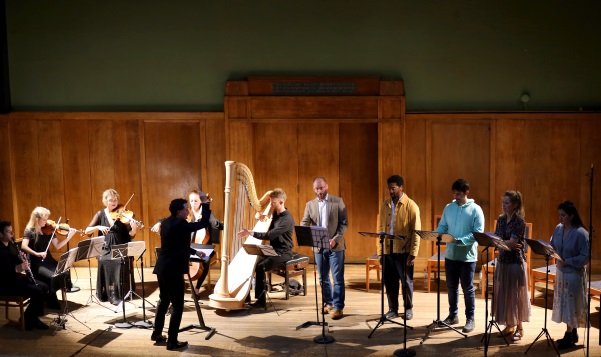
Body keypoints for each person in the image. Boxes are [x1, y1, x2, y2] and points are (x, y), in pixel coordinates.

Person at [151, 196, 210, 350]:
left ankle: (157, 333)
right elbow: (204, 223)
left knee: (163, 299)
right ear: (179, 212)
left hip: (162, 268)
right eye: (186, 209)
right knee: (178, 305)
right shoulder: (181, 225)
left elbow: (178, 244)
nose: (188, 211)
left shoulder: (166, 223)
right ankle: (172, 341)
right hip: (173, 270)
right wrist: (206, 204)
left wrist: (195, 251)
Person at [151, 189, 224, 296]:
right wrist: (159, 222)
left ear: (200, 201)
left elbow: (220, 226)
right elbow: (170, 219)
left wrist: (207, 218)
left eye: (196, 201)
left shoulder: (205, 213)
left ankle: (197, 288)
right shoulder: (186, 213)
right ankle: (179, 282)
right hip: (188, 245)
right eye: (192, 201)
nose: (193, 204)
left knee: (206, 259)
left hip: (203, 246)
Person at [435, 179, 484, 333]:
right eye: (454, 193)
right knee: (451, 287)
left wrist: (460, 240)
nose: (455, 196)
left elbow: (478, 232)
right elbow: (443, 226)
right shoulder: (448, 208)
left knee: (468, 288)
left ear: (466, 193)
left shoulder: (476, 210)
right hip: (450, 255)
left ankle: (470, 318)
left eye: (458, 194)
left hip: (467, 257)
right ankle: (452, 316)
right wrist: (437, 234)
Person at [237, 188, 295, 309]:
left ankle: (261, 300)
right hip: (272, 248)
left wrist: (250, 232)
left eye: (273, 203)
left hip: (283, 252)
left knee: (260, 267)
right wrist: (260, 217)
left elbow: (270, 235)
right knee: (250, 260)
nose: (271, 205)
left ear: (281, 202)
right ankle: (245, 295)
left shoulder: (287, 219)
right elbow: (267, 223)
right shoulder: (275, 214)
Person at [300, 177, 348, 320]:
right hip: (319, 247)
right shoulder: (310, 205)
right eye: (316, 189)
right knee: (323, 278)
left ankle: (339, 307)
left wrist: (335, 240)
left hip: (336, 246)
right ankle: (328, 303)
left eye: (321, 188)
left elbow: (344, 224)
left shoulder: (337, 201)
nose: (319, 191)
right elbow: (304, 222)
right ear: (314, 190)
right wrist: (304, 233)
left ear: (326, 187)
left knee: (337, 278)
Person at [377, 175, 421, 320]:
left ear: (401, 187)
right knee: (389, 281)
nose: (390, 191)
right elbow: (380, 229)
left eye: (393, 188)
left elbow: (416, 232)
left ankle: (408, 308)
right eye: (389, 188)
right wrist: (380, 252)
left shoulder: (411, 205)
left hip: (404, 251)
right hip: (388, 250)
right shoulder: (385, 205)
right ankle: (392, 309)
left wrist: (413, 253)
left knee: (406, 282)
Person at [85, 189, 139, 305]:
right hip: (106, 248)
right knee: (104, 260)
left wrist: (134, 227)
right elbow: (87, 230)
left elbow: (131, 234)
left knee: (118, 260)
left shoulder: (123, 214)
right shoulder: (100, 214)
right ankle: (107, 292)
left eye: (115, 200)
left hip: (120, 246)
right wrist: (98, 227)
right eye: (111, 200)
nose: (114, 203)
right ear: (105, 201)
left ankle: (118, 293)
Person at [20, 207, 78, 310]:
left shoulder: (49, 230)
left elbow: (58, 246)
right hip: (36, 262)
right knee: (52, 276)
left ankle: (51, 296)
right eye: (44, 220)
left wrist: (68, 237)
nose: (46, 222)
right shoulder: (30, 231)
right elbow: (24, 246)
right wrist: (36, 253)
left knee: (64, 272)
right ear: (36, 219)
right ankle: (50, 298)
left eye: (47, 219)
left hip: (48, 260)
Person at [491, 191, 531, 341]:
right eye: (503, 202)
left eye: (506, 203)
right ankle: (509, 325)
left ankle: (519, 327)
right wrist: (504, 243)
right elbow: (496, 239)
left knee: (516, 295)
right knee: (504, 294)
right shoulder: (501, 219)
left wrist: (503, 243)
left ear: (514, 205)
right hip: (502, 261)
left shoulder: (519, 221)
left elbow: (513, 243)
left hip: (515, 262)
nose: (503, 205)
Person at [550, 200, 589, 349]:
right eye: (559, 215)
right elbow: (552, 244)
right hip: (561, 272)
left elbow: (585, 256)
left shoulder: (580, 233)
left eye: (563, 215)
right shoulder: (558, 229)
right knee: (565, 304)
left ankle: (569, 335)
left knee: (572, 305)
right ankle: (572, 333)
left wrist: (569, 261)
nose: (560, 218)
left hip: (573, 273)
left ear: (571, 216)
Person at [0, 220, 50, 330]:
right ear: (1, 234)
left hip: (15, 279)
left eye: (11, 231)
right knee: (37, 291)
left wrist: (21, 259)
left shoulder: (11, 245)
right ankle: (30, 319)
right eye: (8, 232)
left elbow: (16, 262)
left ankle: (30, 317)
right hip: (5, 284)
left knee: (45, 286)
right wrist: (17, 268)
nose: (12, 234)